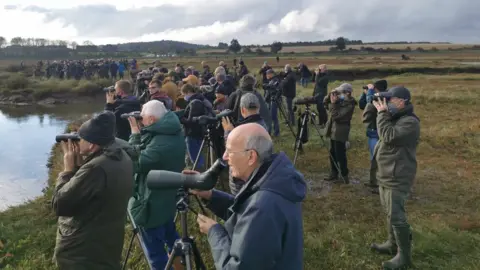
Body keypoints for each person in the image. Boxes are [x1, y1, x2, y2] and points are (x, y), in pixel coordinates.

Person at [191, 123, 306, 270]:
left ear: (251, 156)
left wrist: (214, 232)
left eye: (230, 151)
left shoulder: (263, 206)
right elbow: (247, 212)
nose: (225, 157)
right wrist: (210, 195)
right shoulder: (274, 179)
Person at [52, 111, 133, 269]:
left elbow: (60, 204)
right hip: (106, 243)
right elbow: (96, 193)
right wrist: (81, 166)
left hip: (83, 253)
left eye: (80, 138)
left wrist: (68, 170)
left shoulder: (95, 169)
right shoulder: (121, 157)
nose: (77, 141)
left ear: (91, 145)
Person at [127, 100, 186, 269]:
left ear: (152, 119)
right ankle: (182, 263)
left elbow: (134, 162)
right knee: (171, 235)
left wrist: (135, 134)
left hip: (151, 205)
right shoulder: (171, 132)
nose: (141, 121)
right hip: (166, 199)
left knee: (155, 255)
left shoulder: (160, 144)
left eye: (143, 118)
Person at [370, 87, 420, 270]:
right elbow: (371, 120)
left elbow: (388, 136)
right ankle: (392, 244)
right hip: (387, 174)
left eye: (391, 100)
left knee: (397, 217)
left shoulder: (410, 122)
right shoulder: (396, 117)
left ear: (402, 101)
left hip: (398, 175)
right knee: (390, 213)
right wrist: (375, 105)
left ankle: (404, 257)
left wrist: (382, 114)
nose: (387, 103)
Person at [221, 93, 267, 195]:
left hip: (241, 182)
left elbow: (232, 152)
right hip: (260, 176)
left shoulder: (242, 129)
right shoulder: (263, 125)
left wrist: (229, 133)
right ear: (258, 107)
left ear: (242, 110)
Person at [323, 83, 356, 184]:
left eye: (340, 92)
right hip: (333, 129)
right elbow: (325, 104)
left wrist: (333, 103)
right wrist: (330, 95)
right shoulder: (340, 100)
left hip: (341, 130)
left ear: (347, 93)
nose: (338, 94)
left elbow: (336, 116)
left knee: (340, 154)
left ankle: (344, 176)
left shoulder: (349, 104)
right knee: (332, 152)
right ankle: (334, 173)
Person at [360, 79, 388, 192]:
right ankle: (373, 181)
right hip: (373, 132)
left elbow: (370, 102)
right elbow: (363, 105)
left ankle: (380, 184)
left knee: (378, 158)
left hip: (377, 132)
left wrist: (370, 92)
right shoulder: (375, 96)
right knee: (373, 158)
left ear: (377, 89)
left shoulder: (382, 98)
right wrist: (364, 93)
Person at [180, 83, 213, 169]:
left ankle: (198, 172)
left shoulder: (194, 102)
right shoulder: (201, 99)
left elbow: (191, 121)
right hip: (200, 131)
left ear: (187, 92)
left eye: (184, 95)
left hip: (192, 133)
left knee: (195, 156)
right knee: (198, 153)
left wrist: (181, 118)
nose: (184, 97)